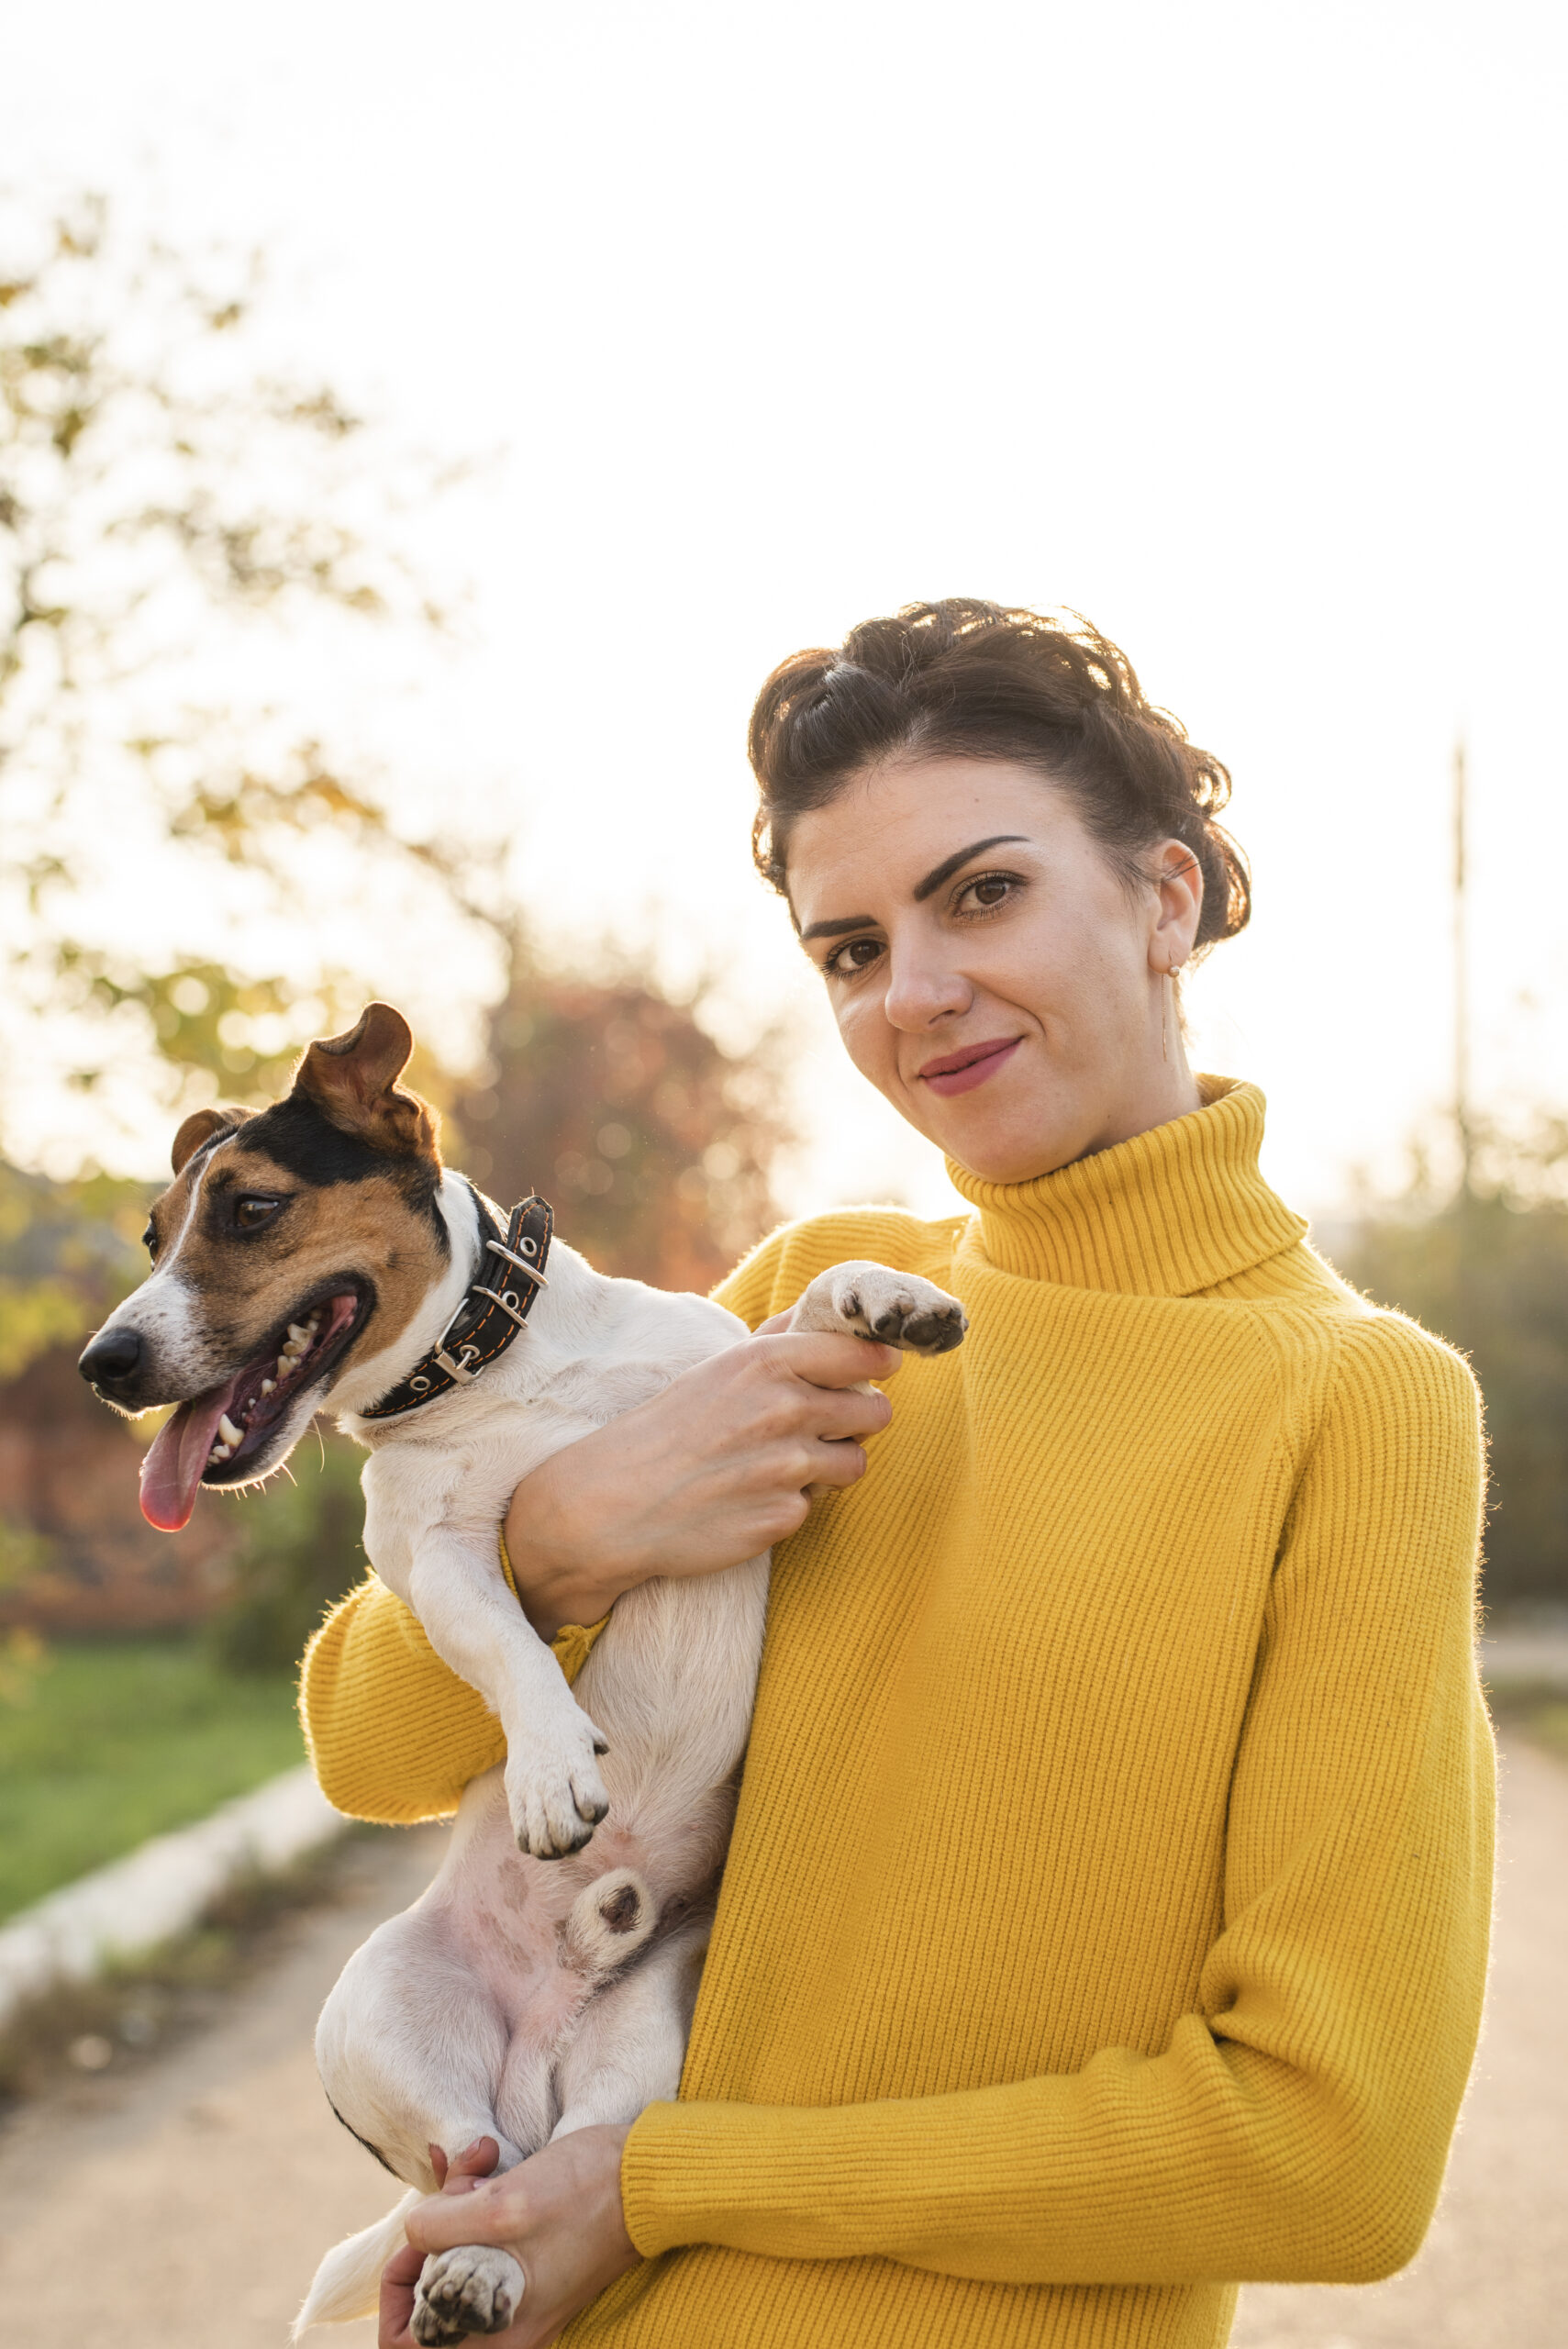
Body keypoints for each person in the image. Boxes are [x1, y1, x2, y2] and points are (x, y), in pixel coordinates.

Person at [302, 600, 1494, 2349]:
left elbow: (1328, 2154)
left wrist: (657, 2184)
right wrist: (564, 1540)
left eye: (983, 892)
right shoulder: (808, 1297)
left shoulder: (1351, 1406)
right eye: (849, 947)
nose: (914, 993)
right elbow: (369, 1750)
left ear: (1166, 898)